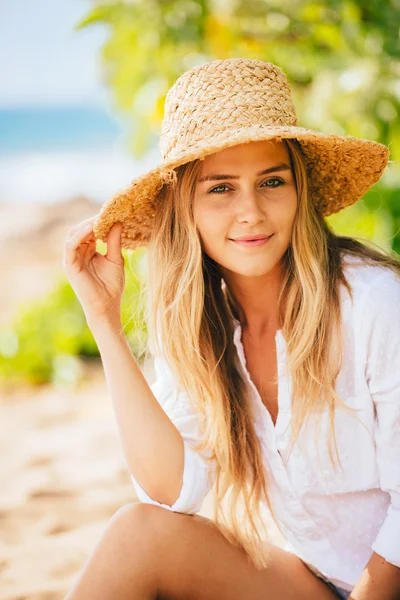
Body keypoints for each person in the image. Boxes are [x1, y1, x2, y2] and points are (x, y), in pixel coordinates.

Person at [62, 58, 400, 599]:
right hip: (324, 584)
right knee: (137, 534)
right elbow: (172, 494)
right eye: (221, 189)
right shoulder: (202, 329)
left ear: (300, 192)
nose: (251, 212)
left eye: (272, 181)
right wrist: (104, 321)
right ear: (185, 209)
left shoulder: (372, 302)